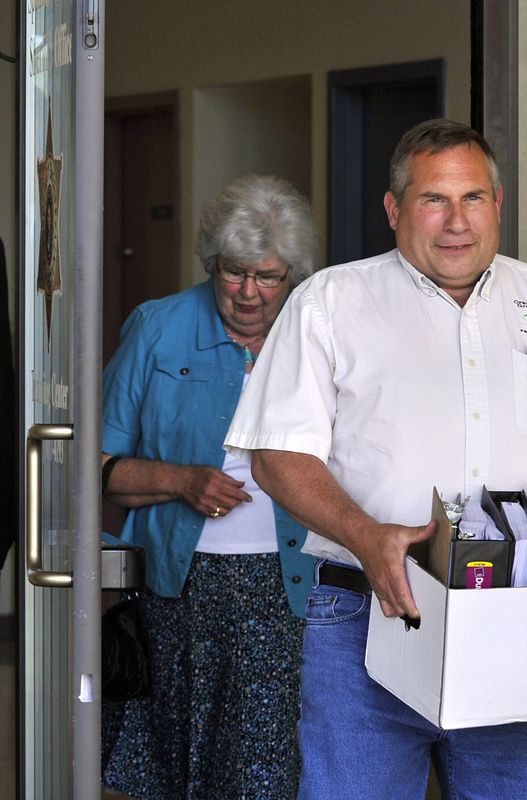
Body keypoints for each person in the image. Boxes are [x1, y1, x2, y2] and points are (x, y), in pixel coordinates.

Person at [223, 118, 527, 800]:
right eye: (434, 200)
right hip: (367, 617)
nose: (456, 222)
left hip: (525, 620)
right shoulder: (332, 304)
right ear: (395, 209)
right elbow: (278, 457)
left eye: (473, 199)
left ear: (499, 204)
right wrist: (367, 537)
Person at [100, 174, 319, 799]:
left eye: (269, 277)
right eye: (233, 272)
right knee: (182, 759)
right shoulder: (158, 328)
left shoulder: (316, 335)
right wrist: (182, 481)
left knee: (267, 764)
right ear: (211, 264)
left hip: (287, 583)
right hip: (178, 581)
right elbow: (97, 460)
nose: (249, 293)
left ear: (294, 275)